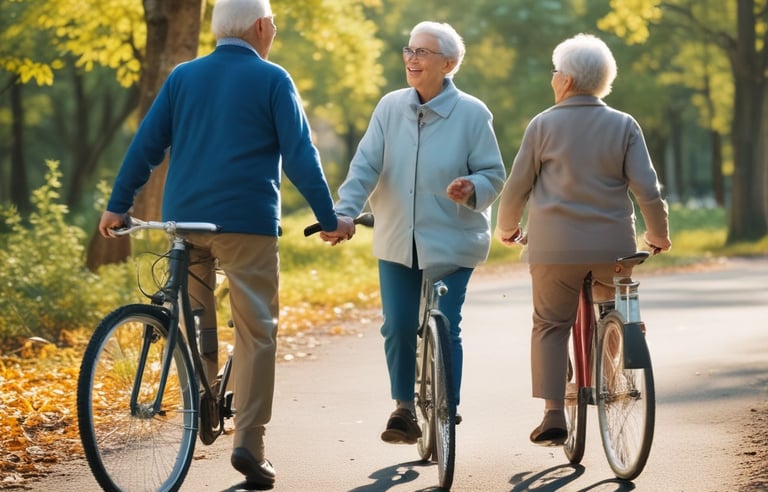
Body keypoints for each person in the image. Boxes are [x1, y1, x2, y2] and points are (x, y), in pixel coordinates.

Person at [98, 0, 355, 486]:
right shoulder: (273, 79)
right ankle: (250, 444)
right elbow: (301, 154)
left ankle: (207, 399)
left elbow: (146, 144)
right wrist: (329, 218)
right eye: (273, 24)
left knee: (197, 317)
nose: (274, 32)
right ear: (261, 26)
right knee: (256, 329)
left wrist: (118, 203)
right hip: (246, 225)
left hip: (184, 223)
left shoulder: (182, 77)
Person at [320, 21, 506, 445]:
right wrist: (343, 213)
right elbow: (365, 165)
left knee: (447, 323)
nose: (412, 58)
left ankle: (447, 409)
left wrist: (472, 188)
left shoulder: (473, 114)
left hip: (453, 241)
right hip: (398, 239)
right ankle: (404, 408)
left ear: (449, 63)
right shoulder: (389, 107)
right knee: (398, 324)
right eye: (409, 50)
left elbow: (494, 174)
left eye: (423, 52)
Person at [494, 33, 671, 446]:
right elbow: (647, 189)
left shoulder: (543, 124)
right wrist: (657, 234)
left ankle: (554, 412)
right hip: (613, 250)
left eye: (556, 72)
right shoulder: (624, 125)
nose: (553, 78)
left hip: (554, 250)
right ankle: (609, 378)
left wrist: (507, 229)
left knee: (550, 325)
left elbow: (516, 187)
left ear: (568, 80)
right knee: (613, 308)